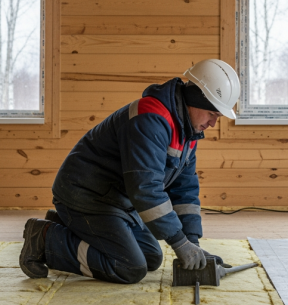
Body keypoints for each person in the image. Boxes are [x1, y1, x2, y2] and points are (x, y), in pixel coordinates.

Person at [18, 59, 240, 284]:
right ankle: (45, 239)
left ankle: (67, 226)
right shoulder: (151, 118)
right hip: (86, 195)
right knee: (128, 267)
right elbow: (145, 188)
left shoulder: (186, 132)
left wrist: (192, 242)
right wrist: (179, 242)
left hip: (115, 200)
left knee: (151, 258)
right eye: (213, 114)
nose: (213, 123)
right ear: (196, 99)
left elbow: (185, 190)